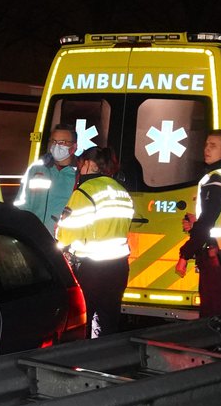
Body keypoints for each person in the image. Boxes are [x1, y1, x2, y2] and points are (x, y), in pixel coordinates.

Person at [56, 146, 134, 336]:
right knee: (109, 321)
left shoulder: (85, 191)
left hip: (92, 269)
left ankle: (85, 354)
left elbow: (66, 234)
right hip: (118, 267)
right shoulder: (122, 191)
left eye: (81, 165)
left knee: (83, 321)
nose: (79, 170)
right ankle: (108, 353)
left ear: (90, 164)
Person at [175, 129, 221, 317]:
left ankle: (213, 338)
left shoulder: (218, 179)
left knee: (211, 315)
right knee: (219, 311)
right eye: (206, 145)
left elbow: (208, 221)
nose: (206, 149)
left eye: (213, 146)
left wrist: (185, 254)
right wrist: (197, 222)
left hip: (218, 254)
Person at [13, 123, 79, 234]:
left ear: (74, 147)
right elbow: (22, 203)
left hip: (64, 238)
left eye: (62, 142)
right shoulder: (36, 168)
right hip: (35, 236)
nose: (56, 146)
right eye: (54, 141)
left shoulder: (79, 173)